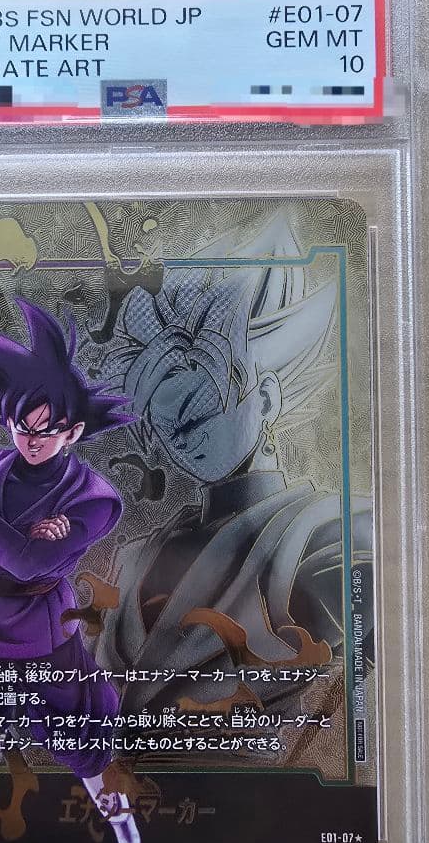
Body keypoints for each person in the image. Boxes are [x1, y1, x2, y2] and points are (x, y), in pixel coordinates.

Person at [95, 208, 374, 720]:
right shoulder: (138, 558)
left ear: (264, 398)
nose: (182, 440)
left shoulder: (334, 532)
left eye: (199, 413)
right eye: (165, 425)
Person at [0, 298, 141, 843]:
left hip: (42, 629)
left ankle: (114, 808)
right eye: (23, 427)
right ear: (9, 422)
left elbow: (28, 566)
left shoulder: (92, 497)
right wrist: (9, 531)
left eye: (46, 430)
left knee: (72, 729)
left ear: (72, 432)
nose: (32, 440)